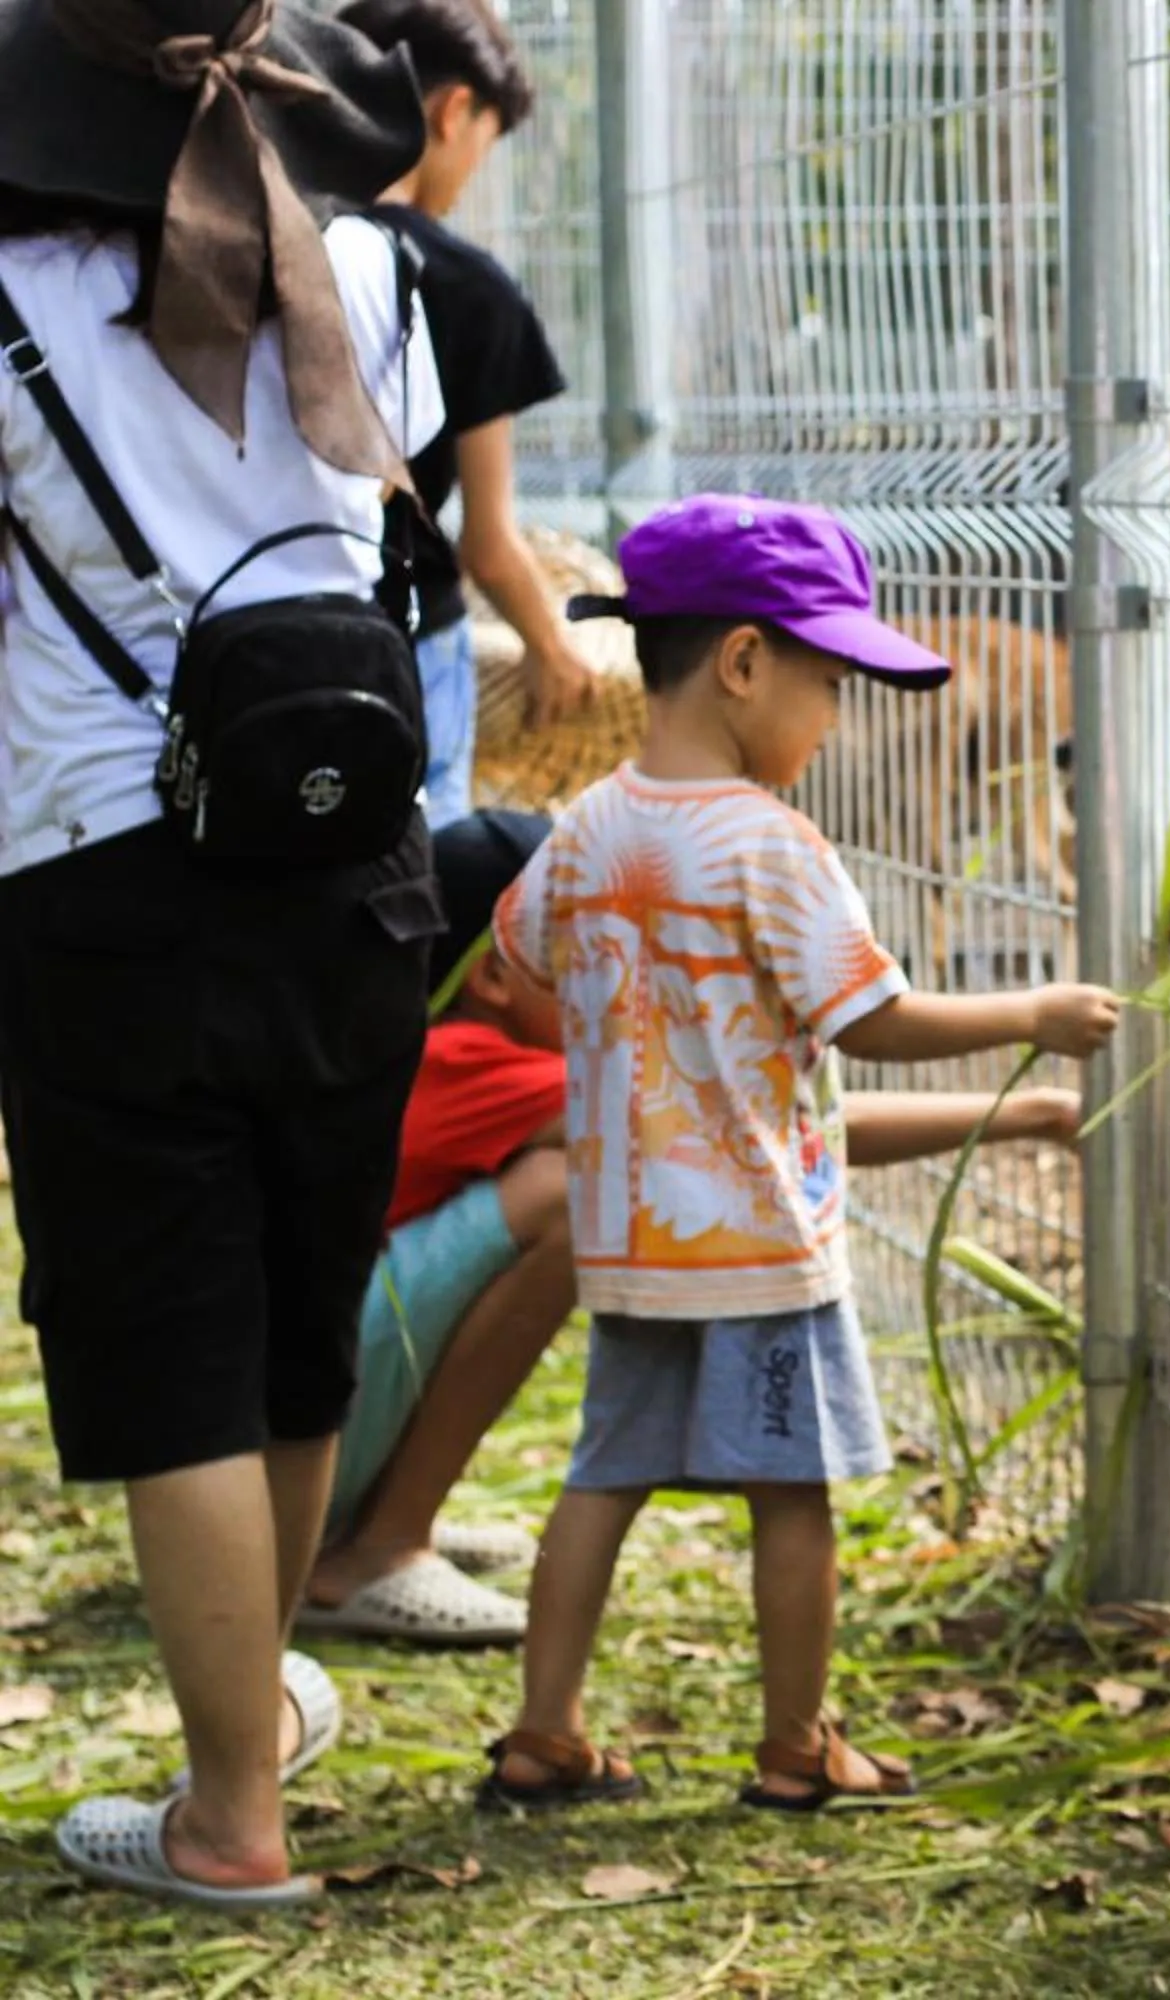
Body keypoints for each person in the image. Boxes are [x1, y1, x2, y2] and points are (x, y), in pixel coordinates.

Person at [0, 0, 445, 1905]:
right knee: (292, 1323)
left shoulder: (11, 300)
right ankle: (248, 1733)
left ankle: (229, 1817)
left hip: (104, 865)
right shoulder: (371, 269)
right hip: (359, 856)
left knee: (169, 1340)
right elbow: (383, 518)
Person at [481, 492, 1123, 1809]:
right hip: (761, 1243)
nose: (832, 719)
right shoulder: (772, 844)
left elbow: (519, 956)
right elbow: (873, 1020)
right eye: (827, 684)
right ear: (742, 662)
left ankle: (543, 1731)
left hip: (629, 1237)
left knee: (601, 1479)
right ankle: (796, 1745)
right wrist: (1035, 1015)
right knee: (793, 1494)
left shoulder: (587, 828)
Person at [306, 807, 1092, 1648]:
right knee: (564, 1199)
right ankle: (380, 1549)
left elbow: (776, 1127)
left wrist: (1036, 1113)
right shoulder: (473, 1063)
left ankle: (370, 1517)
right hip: (316, 1409)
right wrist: (1029, 1090)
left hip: (319, 1409)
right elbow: (762, 1131)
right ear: (497, 975)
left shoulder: (480, 1054)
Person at [334, 0, 592, 823]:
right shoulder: (468, 287)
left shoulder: (270, 242)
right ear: (454, 111)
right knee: (421, 862)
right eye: (486, 139)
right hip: (407, 632)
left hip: (260, 621)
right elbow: (489, 544)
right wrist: (553, 646)